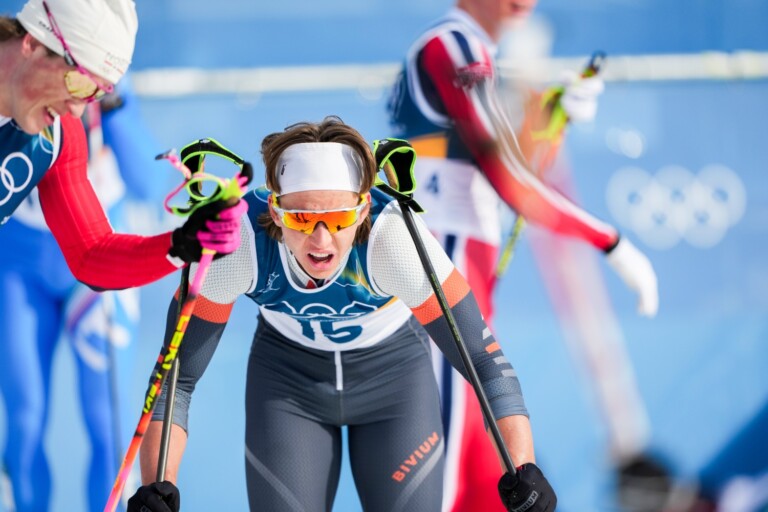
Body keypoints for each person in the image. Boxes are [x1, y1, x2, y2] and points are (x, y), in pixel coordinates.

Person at [126, 117, 557, 512]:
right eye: (301, 217)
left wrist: (523, 468)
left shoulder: (395, 238)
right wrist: (157, 485)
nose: (320, 240)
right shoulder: (239, 241)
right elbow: (175, 380)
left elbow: (485, 362)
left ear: (364, 208)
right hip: (288, 386)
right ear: (274, 210)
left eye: (338, 218)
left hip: (394, 383)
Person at [386, 0, 659, 510]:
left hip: (462, 266)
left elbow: (499, 160)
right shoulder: (453, 44)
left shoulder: (473, 49)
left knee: (491, 484)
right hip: (442, 264)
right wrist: (610, 240)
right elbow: (510, 179)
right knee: (441, 478)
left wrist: (554, 112)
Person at [0, 0, 246, 291]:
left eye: (95, 94)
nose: (77, 109)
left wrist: (182, 245)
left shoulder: (58, 133)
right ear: (33, 43)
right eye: (79, 84)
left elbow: (91, 254)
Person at [0, 78, 162, 511]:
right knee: (24, 420)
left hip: (96, 260)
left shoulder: (100, 74)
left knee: (107, 421)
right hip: (18, 267)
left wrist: (113, 104)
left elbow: (149, 183)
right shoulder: (20, 71)